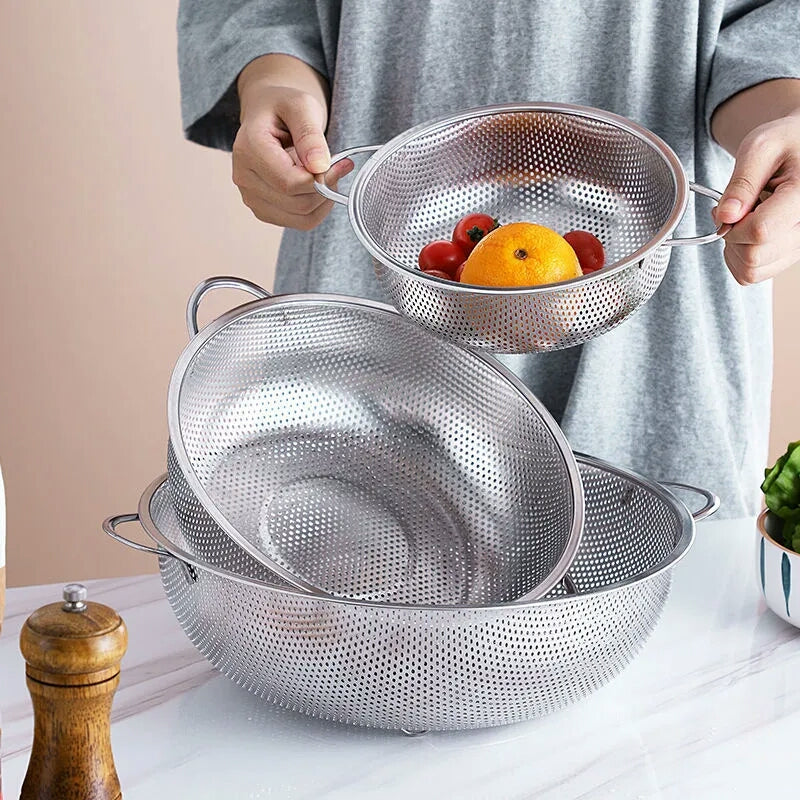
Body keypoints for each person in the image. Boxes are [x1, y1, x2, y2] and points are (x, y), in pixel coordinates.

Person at [176, 1, 800, 518]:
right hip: (377, 251)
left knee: (671, 617)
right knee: (364, 552)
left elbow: (770, 23)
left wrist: (787, 121)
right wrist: (277, 82)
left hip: (654, 282)